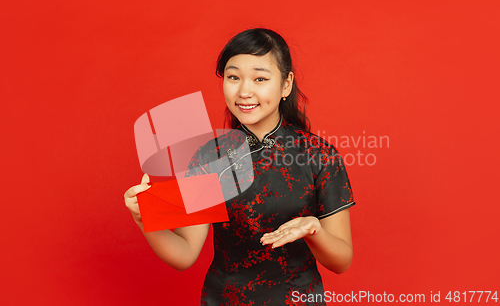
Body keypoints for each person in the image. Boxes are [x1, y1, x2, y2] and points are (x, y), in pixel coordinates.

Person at [124, 28, 355, 305]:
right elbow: (185, 254)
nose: (245, 91)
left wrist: (314, 229)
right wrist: (145, 220)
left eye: (260, 78)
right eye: (234, 77)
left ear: (285, 84)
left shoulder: (319, 155)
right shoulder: (209, 157)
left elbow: (341, 261)